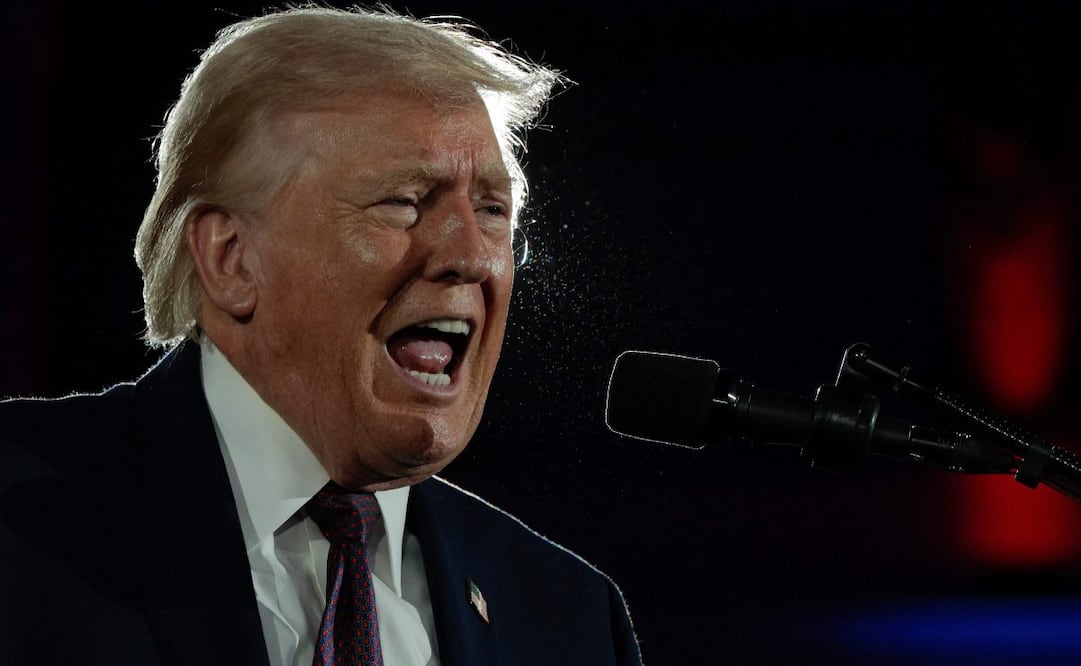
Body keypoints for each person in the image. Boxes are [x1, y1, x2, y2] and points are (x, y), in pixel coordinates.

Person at [0, 6, 642, 665]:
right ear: (231, 258)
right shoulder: (18, 519)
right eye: (403, 200)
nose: (472, 257)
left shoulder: (567, 614)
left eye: (491, 210)